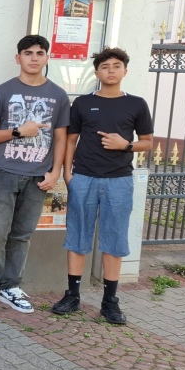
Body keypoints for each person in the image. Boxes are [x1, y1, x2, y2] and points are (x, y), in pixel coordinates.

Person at [52, 48, 153, 324]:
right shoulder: (83, 103)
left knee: (114, 240)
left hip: (119, 181)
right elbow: (70, 139)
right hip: (84, 178)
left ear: (125, 71)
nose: (111, 70)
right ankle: (72, 296)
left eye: (116, 66)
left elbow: (147, 141)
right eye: (105, 66)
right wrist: (68, 174)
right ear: (97, 72)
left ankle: (110, 302)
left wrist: (126, 145)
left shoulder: (136, 104)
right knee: (77, 237)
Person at [0, 35, 70, 313]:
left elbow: (61, 138)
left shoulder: (58, 95)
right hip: (3, 173)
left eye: (40, 53)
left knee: (22, 235)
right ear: (18, 58)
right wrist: (18, 131)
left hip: (38, 176)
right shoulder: (3, 91)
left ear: (47, 58)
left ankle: (10, 286)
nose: (34, 58)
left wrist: (56, 172)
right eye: (28, 53)